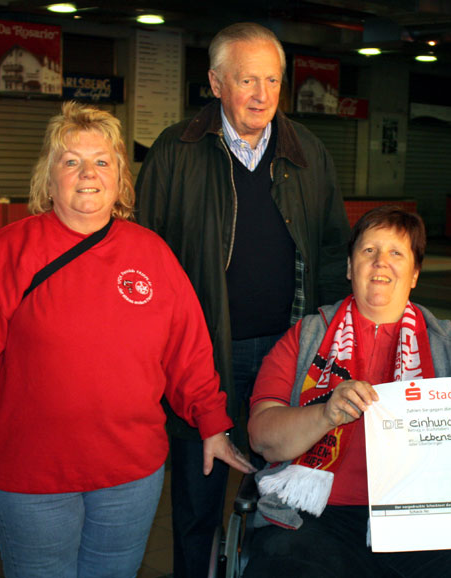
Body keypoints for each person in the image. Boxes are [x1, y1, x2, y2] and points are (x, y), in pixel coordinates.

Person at [0, 102, 254, 578]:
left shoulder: (151, 253)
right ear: (49, 175)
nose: (88, 174)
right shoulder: (9, 251)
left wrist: (211, 423)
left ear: (120, 177)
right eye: (71, 160)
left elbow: (188, 351)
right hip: (29, 474)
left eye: (102, 161)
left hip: (129, 475)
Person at [134, 22, 350, 577]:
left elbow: (330, 253)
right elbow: (147, 255)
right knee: (196, 498)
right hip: (200, 356)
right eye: (247, 80)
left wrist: (326, 341)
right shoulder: (176, 151)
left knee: (279, 495)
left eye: (272, 80)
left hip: (286, 352)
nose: (261, 95)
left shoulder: (309, 153)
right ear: (215, 82)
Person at [244, 206, 451, 578]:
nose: (380, 263)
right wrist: (325, 413)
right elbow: (263, 439)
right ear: (348, 268)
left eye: (396, 253)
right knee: (283, 563)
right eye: (368, 251)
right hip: (319, 515)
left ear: (415, 273)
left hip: (423, 518)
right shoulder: (306, 338)